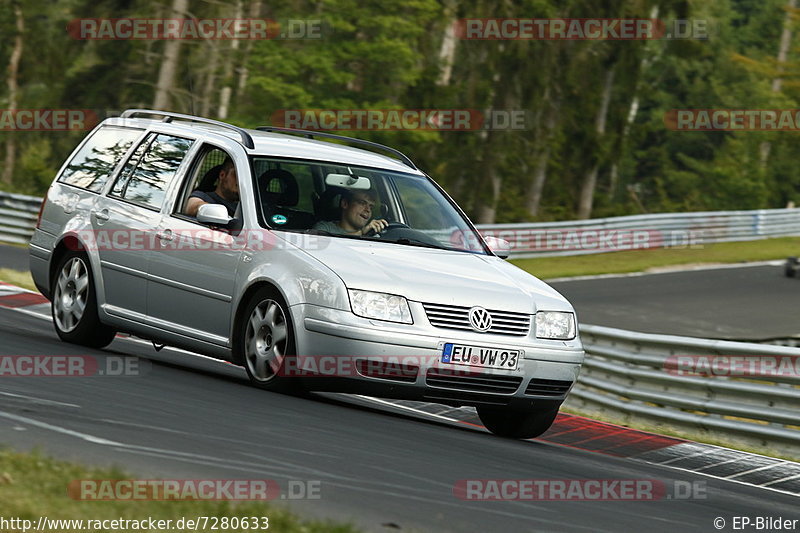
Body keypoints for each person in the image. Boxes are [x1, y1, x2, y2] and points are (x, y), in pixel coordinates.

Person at [313, 189, 388, 236]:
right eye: (362, 203)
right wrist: (361, 233)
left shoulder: (373, 234)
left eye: (371, 207)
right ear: (345, 204)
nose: (368, 209)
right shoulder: (324, 228)